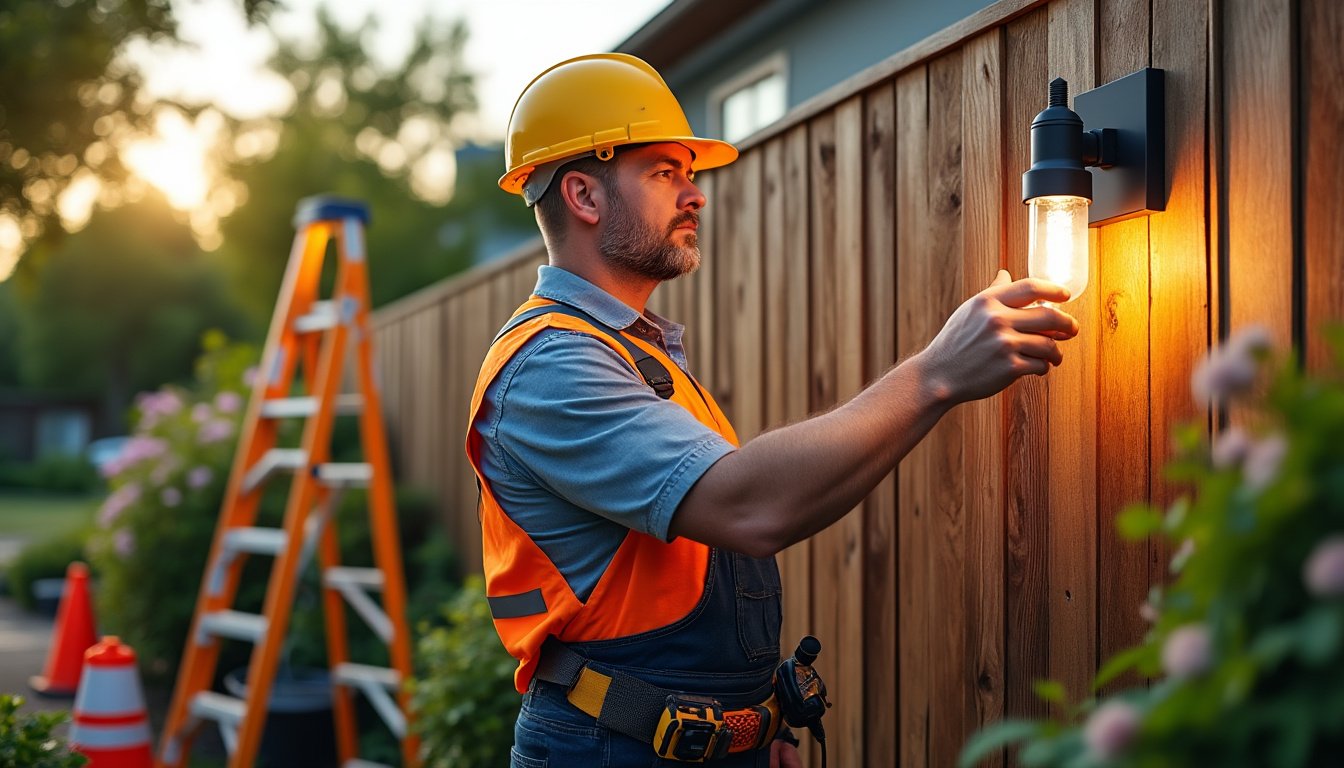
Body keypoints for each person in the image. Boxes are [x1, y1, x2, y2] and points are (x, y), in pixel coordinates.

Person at [466, 53, 1079, 768]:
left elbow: (699, 559)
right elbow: (750, 510)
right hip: (608, 750)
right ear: (583, 194)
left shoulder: (635, 352)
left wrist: (758, 723)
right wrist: (936, 373)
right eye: (666, 172)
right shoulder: (550, 367)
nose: (694, 195)